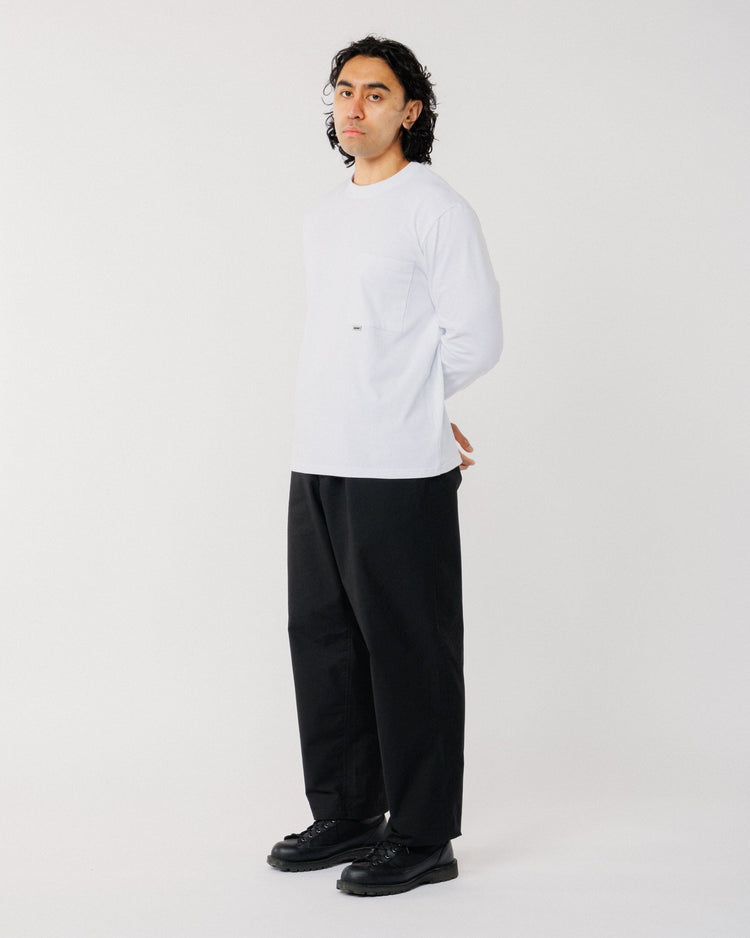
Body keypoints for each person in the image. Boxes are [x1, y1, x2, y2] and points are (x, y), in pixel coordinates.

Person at [267, 35, 503, 896]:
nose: (354, 106)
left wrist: (414, 403)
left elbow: (477, 335)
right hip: (318, 455)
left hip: (400, 468)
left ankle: (425, 835)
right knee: (324, 642)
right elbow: (353, 341)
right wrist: (397, 391)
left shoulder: (434, 208)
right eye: (343, 90)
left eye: (375, 92)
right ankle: (348, 811)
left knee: (410, 650)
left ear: (410, 110)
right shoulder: (324, 216)